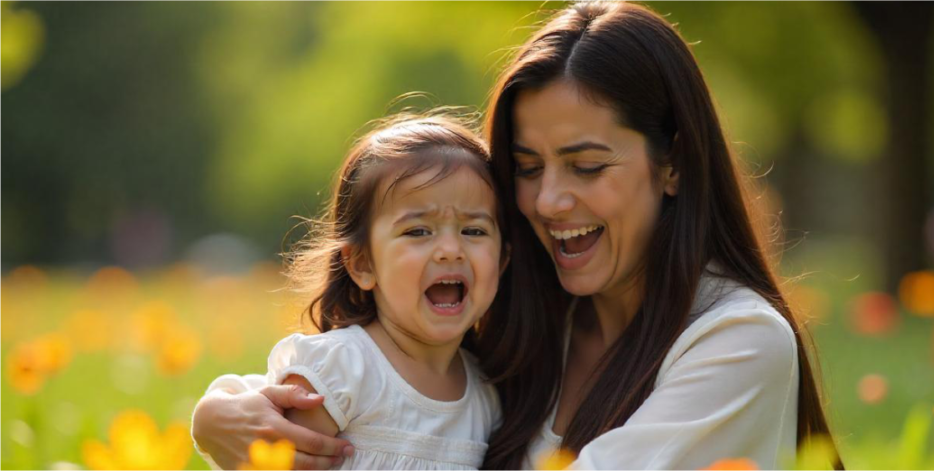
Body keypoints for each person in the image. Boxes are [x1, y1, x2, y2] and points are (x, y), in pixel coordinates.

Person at [193, 2, 845, 470]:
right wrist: (220, 409)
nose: (550, 200)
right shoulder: (530, 316)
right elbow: (371, 380)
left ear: (671, 162)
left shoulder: (738, 339)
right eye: (527, 169)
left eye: (587, 166)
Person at [192, 115, 505, 470]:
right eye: (418, 232)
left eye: (474, 231)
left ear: (504, 258)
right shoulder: (343, 370)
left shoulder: (485, 396)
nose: (451, 249)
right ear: (362, 264)